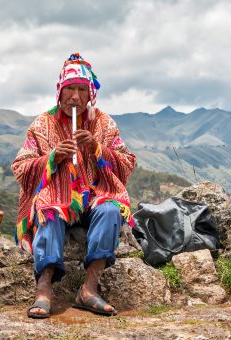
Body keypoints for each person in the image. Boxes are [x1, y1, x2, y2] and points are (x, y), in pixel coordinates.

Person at [11, 53, 136, 319]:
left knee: (111, 210)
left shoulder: (103, 123)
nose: (76, 97)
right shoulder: (43, 124)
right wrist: (52, 158)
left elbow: (126, 163)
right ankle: (43, 290)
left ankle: (88, 290)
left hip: (93, 196)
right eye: (70, 89)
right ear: (60, 91)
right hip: (57, 196)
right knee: (49, 210)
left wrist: (97, 148)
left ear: (91, 94)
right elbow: (21, 167)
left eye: (82, 90)